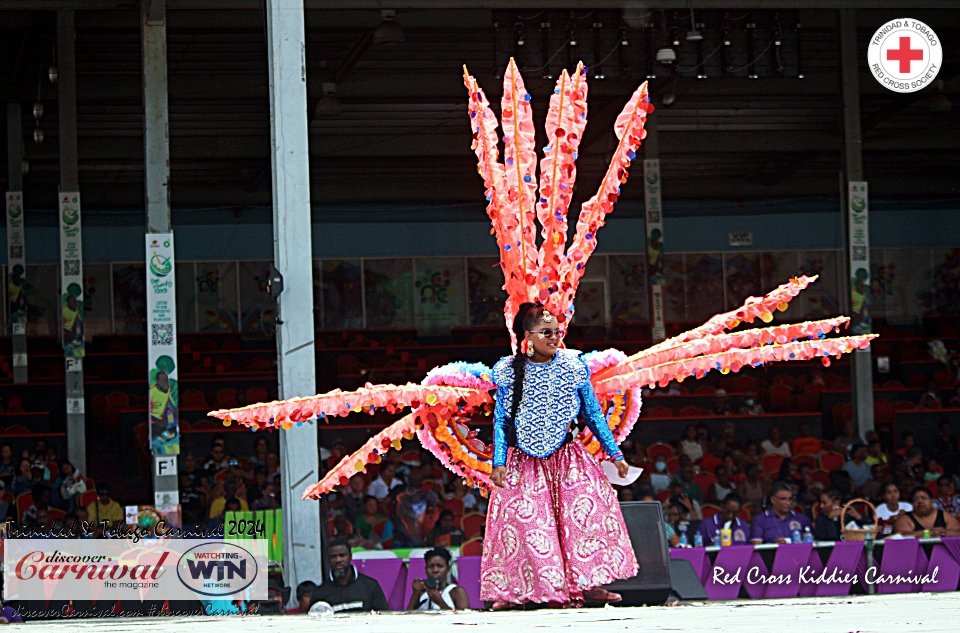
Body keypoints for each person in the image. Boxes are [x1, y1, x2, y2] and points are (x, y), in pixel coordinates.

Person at [482, 303, 637, 609]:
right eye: (546, 332)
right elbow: (501, 420)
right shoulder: (508, 371)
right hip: (524, 462)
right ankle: (517, 592)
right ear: (528, 336)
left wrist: (615, 453)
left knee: (583, 519)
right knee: (524, 527)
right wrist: (499, 461)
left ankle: (587, 586)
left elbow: (593, 413)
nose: (554, 337)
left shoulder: (573, 366)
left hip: (567, 458)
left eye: (558, 332)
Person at [310, 539, 389, 613]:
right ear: (328, 559)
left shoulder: (370, 586)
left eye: (342, 555)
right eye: (333, 556)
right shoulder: (320, 593)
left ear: (350, 556)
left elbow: (383, 617)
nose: (338, 560)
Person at [893, 487, 960, 537]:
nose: (920, 501)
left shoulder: (944, 515)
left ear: (931, 502)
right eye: (916, 499)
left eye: (923, 498)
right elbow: (899, 536)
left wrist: (944, 532)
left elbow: (957, 532)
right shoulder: (905, 518)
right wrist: (929, 533)